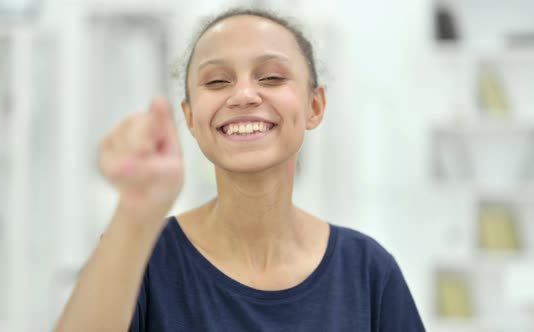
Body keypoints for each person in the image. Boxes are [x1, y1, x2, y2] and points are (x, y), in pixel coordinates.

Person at [55, 7, 425, 332]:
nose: (244, 95)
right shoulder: (142, 255)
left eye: (271, 77)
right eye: (217, 81)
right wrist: (136, 212)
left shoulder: (367, 271)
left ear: (315, 106)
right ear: (190, 118)